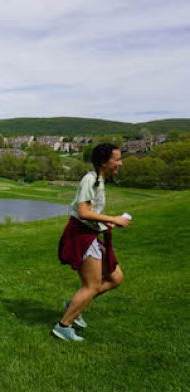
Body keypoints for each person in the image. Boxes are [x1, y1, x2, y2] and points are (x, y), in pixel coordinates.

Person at [52, 143, 131, 342]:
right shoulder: (90, 179)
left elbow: (91, 214)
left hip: (90, 234)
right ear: (105, 162)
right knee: (92, 285)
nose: (120, 163)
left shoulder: (99, 180)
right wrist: (113, 219)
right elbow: (83, 212)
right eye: (117, 159)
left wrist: (105, 224)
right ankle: (64, 326)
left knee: (116, 278)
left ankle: (75, 305)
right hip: (80, 235)